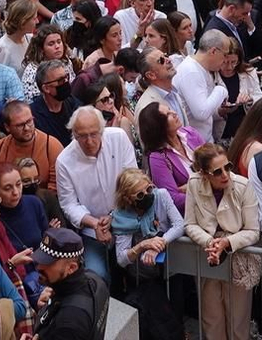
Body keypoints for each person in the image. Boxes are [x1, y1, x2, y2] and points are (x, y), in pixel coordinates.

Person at [183, 142, 261, 340]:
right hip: (207, 256)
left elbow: (253, 231)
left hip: (238, 258)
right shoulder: (193, 184)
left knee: (238, 321)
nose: (225, 174)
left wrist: (227, 243)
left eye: (228, 167)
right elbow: (190, 224)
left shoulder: (243, 185)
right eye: (217, 171)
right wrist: (210, 242)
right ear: (203, 173)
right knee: (212, 319)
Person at [56, 105, 138, 278]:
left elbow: (132, 180)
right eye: (82, 136)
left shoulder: (119, 138)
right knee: (96, 275)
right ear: (74, 134)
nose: (89, 141)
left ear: (102, 130)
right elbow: (69, 204)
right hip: (91, 229)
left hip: (127, 217)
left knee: (140, 267)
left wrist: (115, 215)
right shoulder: (64, 161)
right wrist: (94, 223)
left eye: (94, 134)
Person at [108, 169, 185, 340]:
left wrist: (159, 243)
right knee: (152, 323)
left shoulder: (161, 196)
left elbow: (180, 225)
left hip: (169, 269)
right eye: (140, 194)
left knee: (176, 314)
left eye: (149, 189)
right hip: (141, 277)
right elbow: (121, 259)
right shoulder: (121, 217)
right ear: (128, 199)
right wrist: (142, 245)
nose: (147, 195)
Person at [31, 229, 109, 340]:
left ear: (71, 268)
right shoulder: (94, 280)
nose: (39, 267)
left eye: (48, 262)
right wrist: (48, 305)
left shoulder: (68, 323)